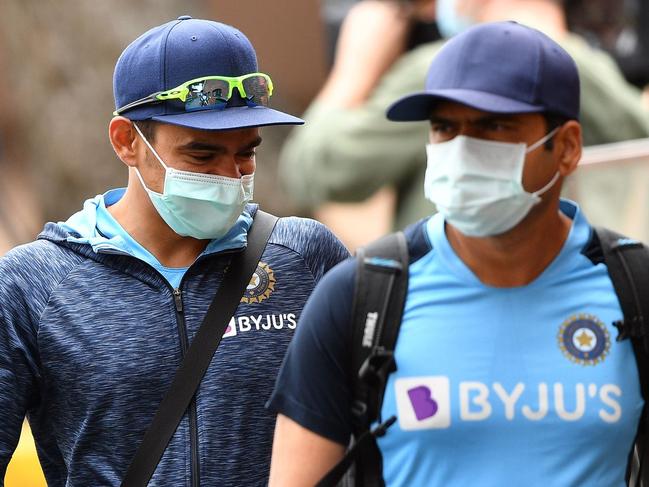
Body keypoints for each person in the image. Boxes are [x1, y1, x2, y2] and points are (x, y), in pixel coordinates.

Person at [268, 21, 644, 486]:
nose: (463, 150)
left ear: (566, 148)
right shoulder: (359, 298)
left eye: (494, 126)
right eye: (445, 127)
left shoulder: (634, 288)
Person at [0, 16, 349, 486]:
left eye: (246, 152)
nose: (230, 174)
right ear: (127, 141)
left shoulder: (305, 256)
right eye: (202, 155)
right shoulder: (33, 284)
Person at [279, 0, 649, 249]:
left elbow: (314, 170)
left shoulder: (446, 68)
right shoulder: (588, 69)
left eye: (495, 126)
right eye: (444, 128)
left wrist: (353, 71)